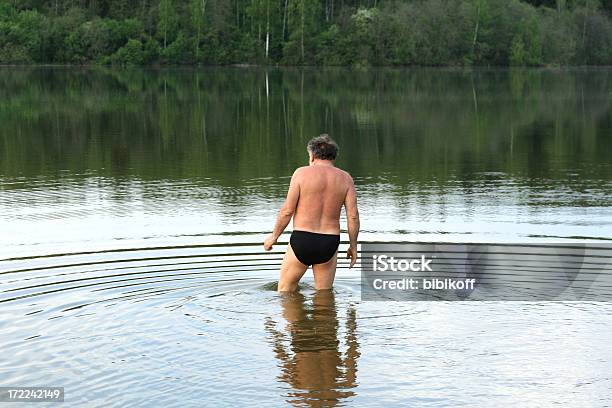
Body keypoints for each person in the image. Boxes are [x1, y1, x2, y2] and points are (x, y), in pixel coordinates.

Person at [263, 134, 360, 292]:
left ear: (313, 155)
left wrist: (274, 237)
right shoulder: (346, 178)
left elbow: (287, 211)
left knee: (285, 291)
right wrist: (353, 246)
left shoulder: (301, 174)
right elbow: (353, 216)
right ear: (333, 156)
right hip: (329, 242)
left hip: (303, 239)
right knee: (324, 294)